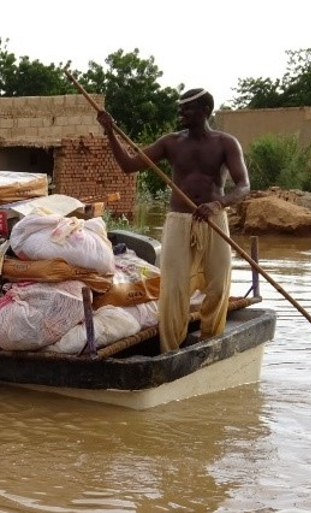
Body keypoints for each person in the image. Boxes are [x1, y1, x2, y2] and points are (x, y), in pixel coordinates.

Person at [97, 88, 251, 352]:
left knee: (218, 283)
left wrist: (218, 203)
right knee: (173, 289)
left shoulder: (226, 143)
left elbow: (243, 186)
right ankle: (170, 349)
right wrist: (110, 132)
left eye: (187, 109)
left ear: (205, 110)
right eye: (179, 108)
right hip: (179, 221)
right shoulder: (171, 143)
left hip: (214, 219)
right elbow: (129, 165)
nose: (180, 113)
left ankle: (210, 340)